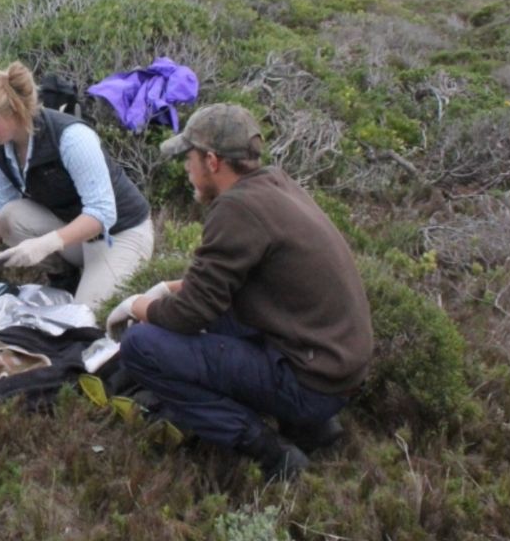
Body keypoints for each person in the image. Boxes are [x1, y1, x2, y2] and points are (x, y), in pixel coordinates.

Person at [114, 103, 373, 480]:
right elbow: (234, 284)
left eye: (190, 157)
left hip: (311, 381)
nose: (187, 168)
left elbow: (188, 315)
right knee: (216, 315)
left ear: (213, 161)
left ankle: (271, 452)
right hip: (334, 366)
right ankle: (314, 428)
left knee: (140, 345)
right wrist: (170, 288)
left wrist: (138, 305)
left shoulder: (236, 209)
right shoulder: (275, 185)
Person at [0, 62, 155, 306]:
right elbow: (3, 202)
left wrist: (47, 243)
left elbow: (102, 213)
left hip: (118, 231)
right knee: (10, 215)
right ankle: (65, 277)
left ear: (12, 109)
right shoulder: (0, 146)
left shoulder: (71, 137)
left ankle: (100, 277)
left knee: (85, 316)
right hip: (75, 233)